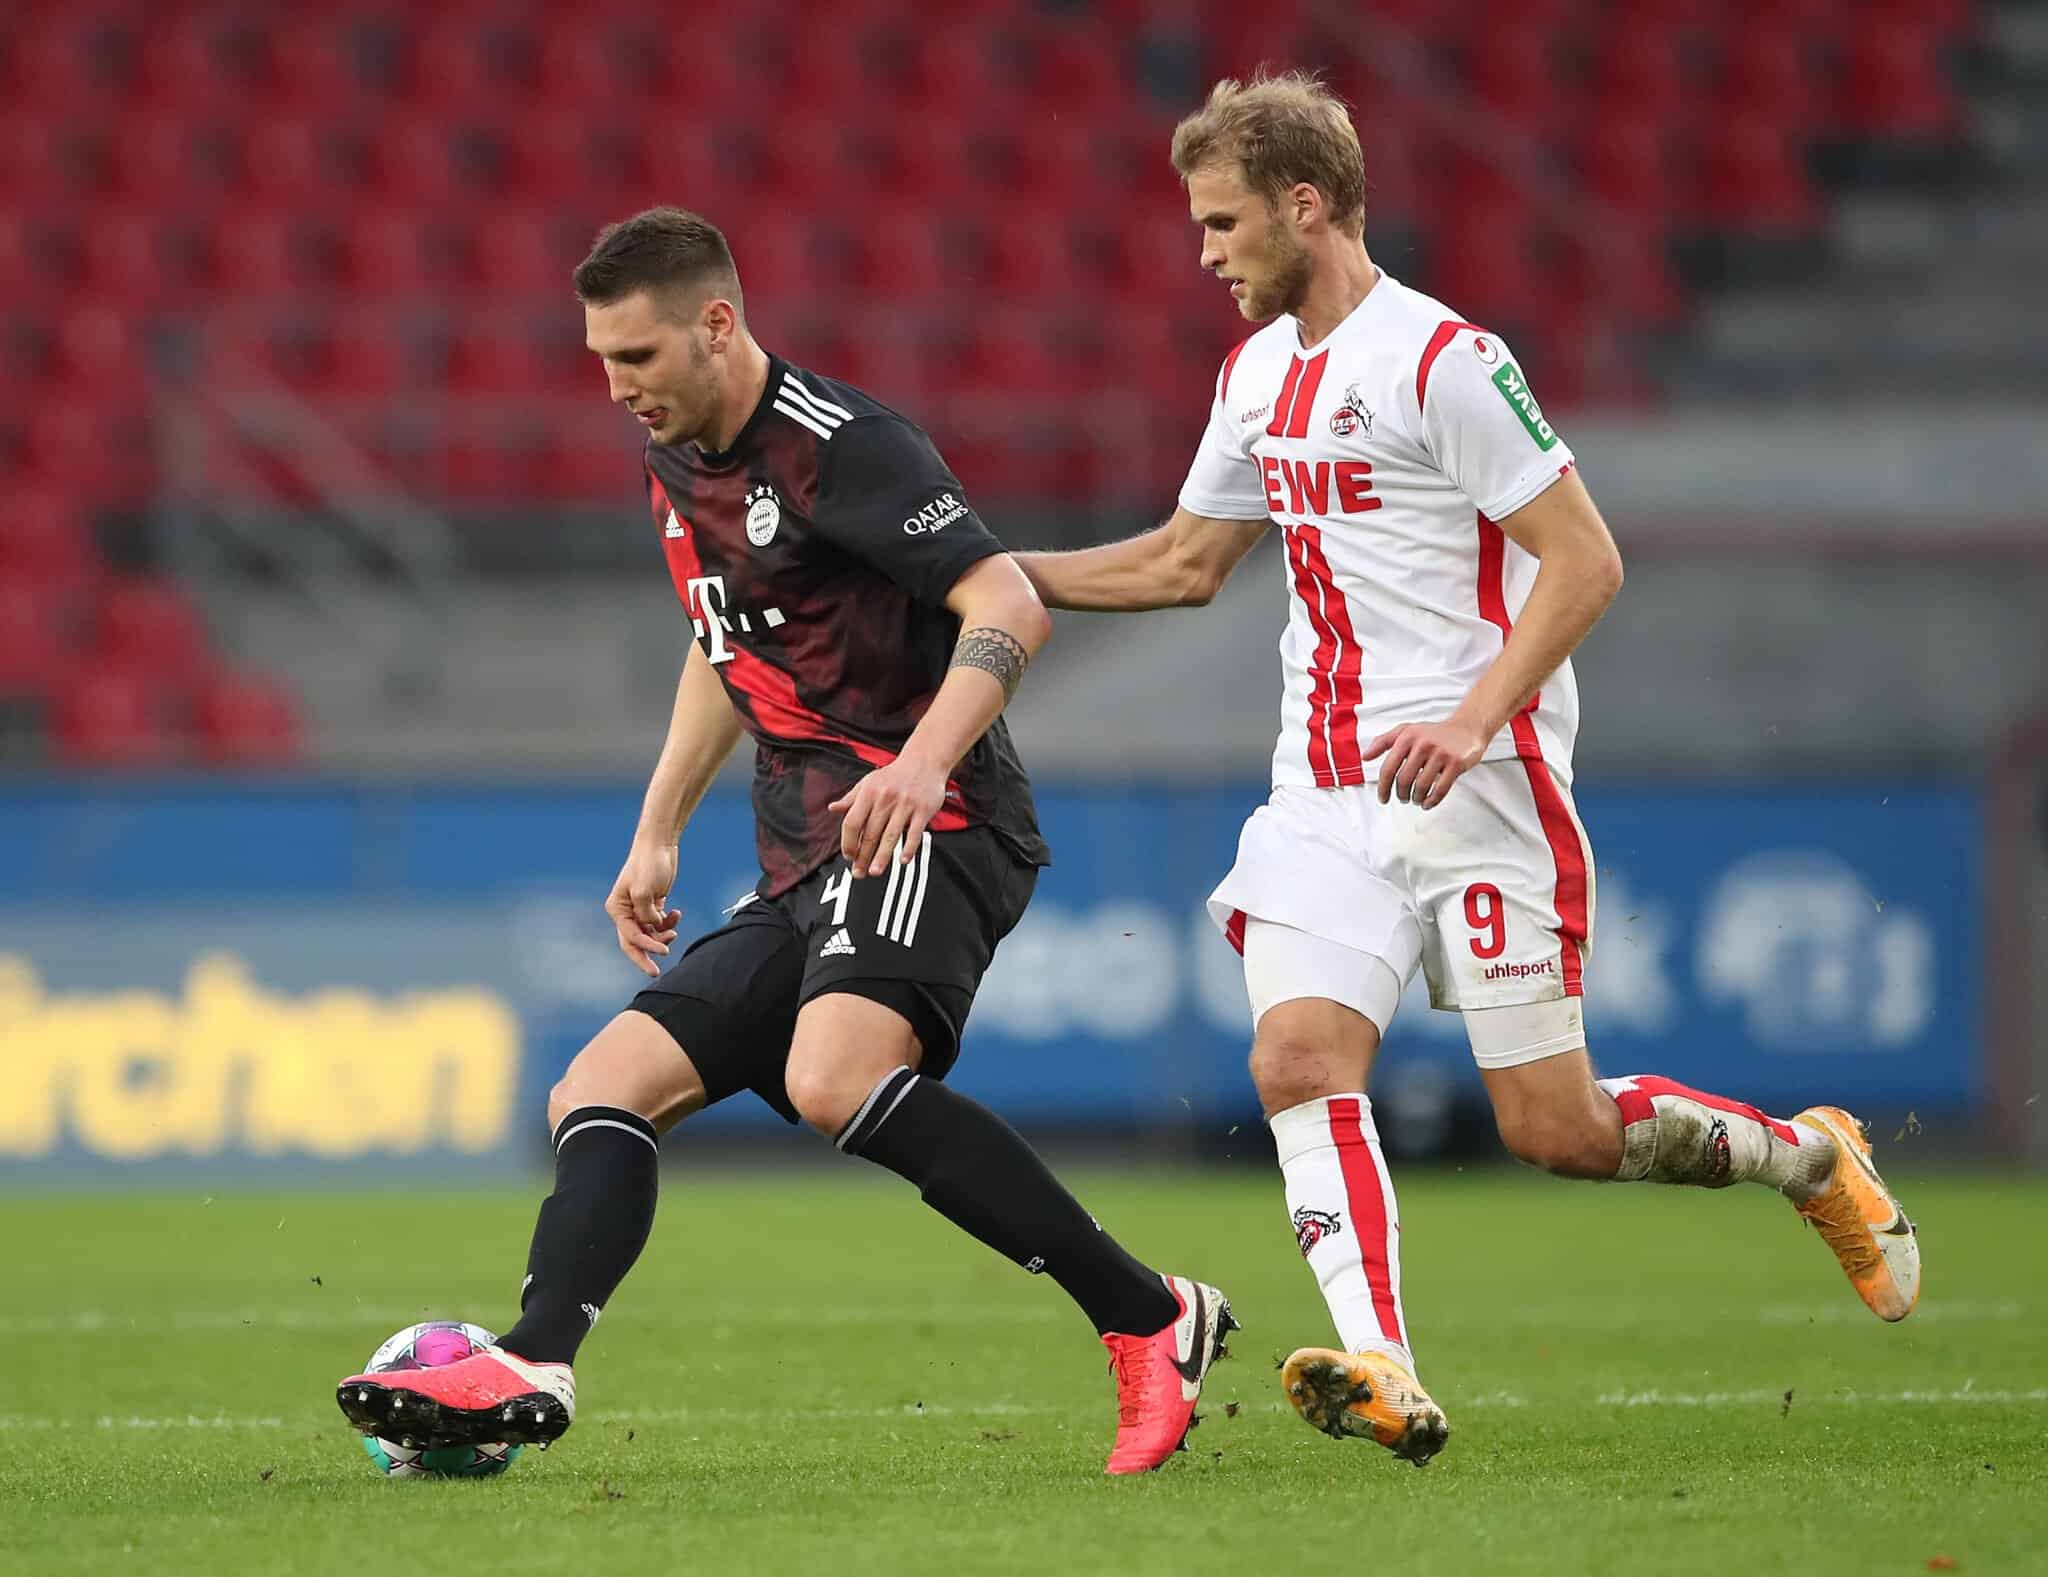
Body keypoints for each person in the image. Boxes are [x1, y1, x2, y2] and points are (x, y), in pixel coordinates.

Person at [1013, 73, 1919, 1467]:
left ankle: (1809, 1157)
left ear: (1305, 205)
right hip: (1322, 788)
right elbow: (1186, 564)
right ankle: (1385, 1365)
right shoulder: (1254, 374)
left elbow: (1586, 558)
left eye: (1223, 221)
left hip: (1480, 781)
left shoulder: (1443, 360)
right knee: (1296, 1055)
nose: (1204, 252)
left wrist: (1474, 717)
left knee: (1554, 1126)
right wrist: (1003, 577)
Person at [336, 207, 1234, 1477]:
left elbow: (1008, 601)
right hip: (801, 850)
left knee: (830, 1076)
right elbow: (726, 644)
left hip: (936, 817)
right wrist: (656, 829)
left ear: (718, 323)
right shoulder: (676, 457)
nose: (616, 387)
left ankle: (1145, 1317)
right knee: (597, 1088)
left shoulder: (845, 448)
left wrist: (920, 764)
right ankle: (536, 1355)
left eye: (637, 356)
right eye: (600, 359)